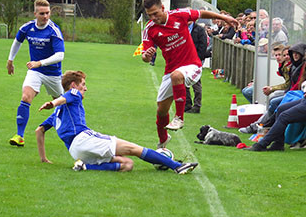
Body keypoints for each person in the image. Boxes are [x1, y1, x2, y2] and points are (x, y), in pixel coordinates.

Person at [35, 70, 198, 174]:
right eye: (83, 84)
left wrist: (44, 159)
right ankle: (177, 166)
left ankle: (85, 166)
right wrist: (53, 103)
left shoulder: (57, 113)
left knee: (127, 164)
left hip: (75, 150)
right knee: (134, 148)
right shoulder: (73, 94)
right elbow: (67, 96)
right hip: (84, 140)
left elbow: (39, 130)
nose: (86, 88)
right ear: (73, 86)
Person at [140, 0, 238, 148]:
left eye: (155, 13)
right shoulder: (150, 29)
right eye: (149, 15)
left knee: (177, 75)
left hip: (192, 65)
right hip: (171, 70)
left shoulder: (179, 15)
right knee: (161, 110)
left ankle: (179, 117)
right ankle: (163, 141)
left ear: (163, 8)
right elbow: (145, 56)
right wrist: (146, 55)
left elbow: (202, 14)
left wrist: (225, 18)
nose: (153, 17)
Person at [244, 43, 306, 151]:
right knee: (280, 108)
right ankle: (278, 144)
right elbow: (305, 85)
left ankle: (261, 144)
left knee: (284, 116)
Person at [6, 0, 65, 147]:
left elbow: (60, 55)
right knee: (26, 97)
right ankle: (19, 136)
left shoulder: (54, 30)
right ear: (35, 13)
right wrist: (10, 60)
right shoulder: (27, 28)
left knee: (63, 105)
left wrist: (40, 62)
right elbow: (17, 41)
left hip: (53, 74)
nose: (45, 16)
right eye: (42, 13)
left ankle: (73, 133)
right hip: (35, 71)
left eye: (47, 13)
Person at [185, 21, 209, 113]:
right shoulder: (182, 28)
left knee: (196, 82)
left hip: (195, 60)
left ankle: (197, 105)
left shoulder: (199, 30)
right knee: (184, 82)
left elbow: (203, 45)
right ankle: (187, 104)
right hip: (184, 59)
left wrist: (197, 58)